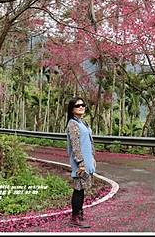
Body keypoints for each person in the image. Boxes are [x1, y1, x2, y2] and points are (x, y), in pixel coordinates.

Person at [65, 97, 96, 228]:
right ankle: (75, 217)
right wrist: (81, 163)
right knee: (78, 189)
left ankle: (79, 213)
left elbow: (90, 142)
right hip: (80, 164)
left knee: (82, 189)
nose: (82, 107)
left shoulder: (83, 123)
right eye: (78, 106)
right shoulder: (73, 124)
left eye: (83, 105)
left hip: (87, 161)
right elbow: (75, 145)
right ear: (72, 109)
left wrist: (93, 158)